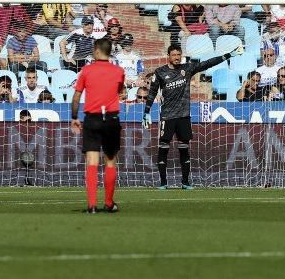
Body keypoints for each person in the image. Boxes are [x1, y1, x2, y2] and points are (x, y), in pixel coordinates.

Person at [143, 44, 241, 189]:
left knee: (184, 149)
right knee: (163, 148)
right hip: (167, 117)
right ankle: (163, 183)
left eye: (178, 54)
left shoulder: (187, 69)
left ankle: (185, 182)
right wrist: (146, 112)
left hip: (184, 116)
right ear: (168, 56)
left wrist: (228, 55)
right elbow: (152, 92)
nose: (176, 57)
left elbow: (207, 63)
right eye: (174, 55)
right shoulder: (160, 72)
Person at [70, 38, 125, 213]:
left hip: (92, 119)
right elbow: (120, 90)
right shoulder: (119, 71)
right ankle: (109, 203)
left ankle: (91, 205)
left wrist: (74, 117)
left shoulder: (86, 70)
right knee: (110, 161)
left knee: (92, 161)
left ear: (97, 51)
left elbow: (77, 96)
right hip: (111, 119)